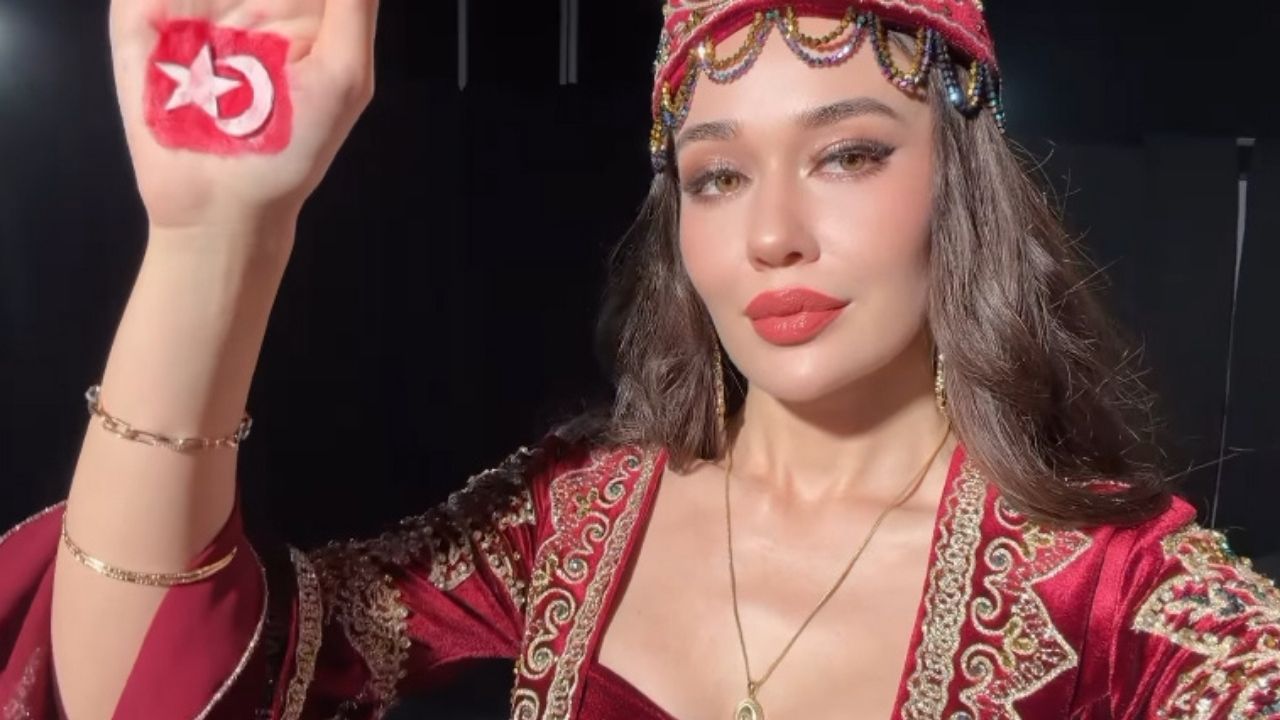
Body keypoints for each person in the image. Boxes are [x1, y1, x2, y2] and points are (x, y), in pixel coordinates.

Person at [2, 0, 1279, 717]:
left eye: (847, 154)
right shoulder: (571, 521)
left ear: (960, 183)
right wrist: (215, 236)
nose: (771, 234)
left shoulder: (1124, 597)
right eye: (717, 175)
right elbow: (163, 684)